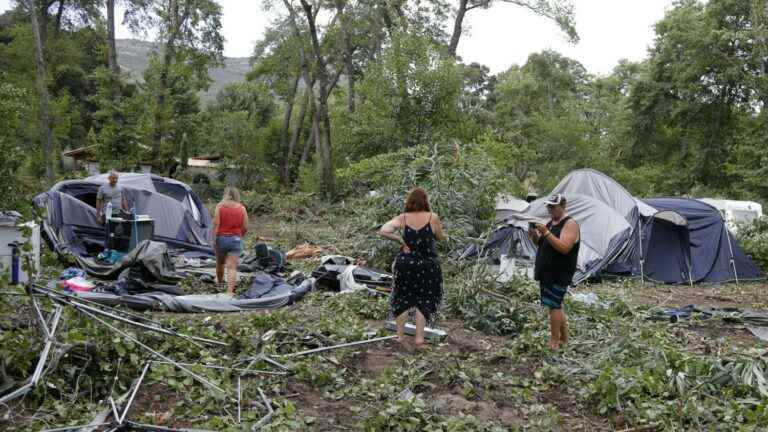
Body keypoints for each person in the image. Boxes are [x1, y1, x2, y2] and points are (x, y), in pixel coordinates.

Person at [379, 187, 446, 349]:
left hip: (406, 263)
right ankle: (419, 340)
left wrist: (400, 240)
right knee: (424, 299)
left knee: (402, 297)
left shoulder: (403, 218)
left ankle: (400, 336)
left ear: (409, 201)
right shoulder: (432, 217)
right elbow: (441, 238)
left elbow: (384, 230)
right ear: (425, 201)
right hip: (427, 264)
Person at [529, 194, 580, 350]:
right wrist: (534, 237)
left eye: (553, 207)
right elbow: (544, 244)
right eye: (548, 206)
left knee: (554, 306)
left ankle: (554, 341)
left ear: (562, 206)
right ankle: (564, 339)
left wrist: (546, 232)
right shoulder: (551, 223)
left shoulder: (570, 224)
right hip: (547, 271)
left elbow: (564, 248)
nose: (550, 210)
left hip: (559, 272)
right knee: (555, 304)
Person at [211, 186, 248, 296]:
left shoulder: (220, 206)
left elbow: (216, 223)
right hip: (235, 239)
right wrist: (240, 235)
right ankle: (229, 292)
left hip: (221, 239)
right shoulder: (242, 208)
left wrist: (214, 239)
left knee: (220, 264)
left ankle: (220, 284)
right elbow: (245, 226)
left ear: (225, 195)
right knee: (232, 268)